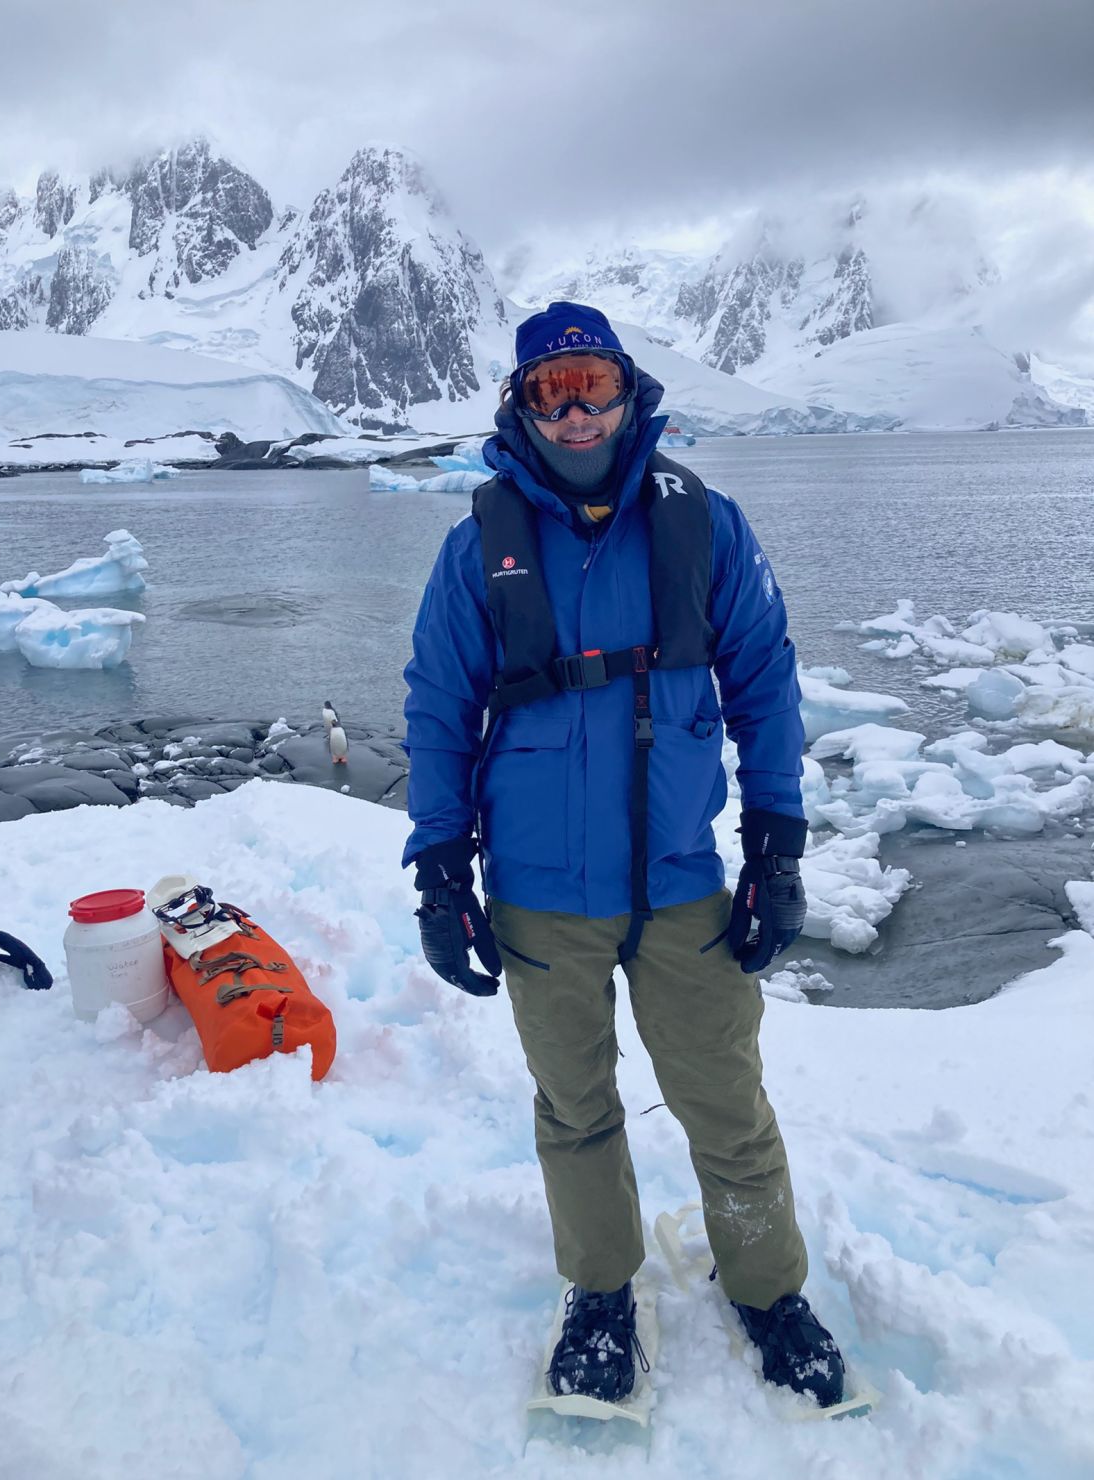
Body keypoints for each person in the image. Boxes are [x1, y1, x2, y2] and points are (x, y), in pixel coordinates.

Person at [402, 301, 845, 1408]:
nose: (577, 409)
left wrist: (778, 842)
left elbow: (765, 683)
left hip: (686, 880)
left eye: (591, 381)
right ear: (521, 405)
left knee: (725, 1099)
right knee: (575, 1106)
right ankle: (599, 1292)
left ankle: (768, 1289)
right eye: (551, 389)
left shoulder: (707, 527)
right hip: (541, 896)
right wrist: (440, 868)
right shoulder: (478, 554)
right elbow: (438, 710)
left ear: (628, 389)